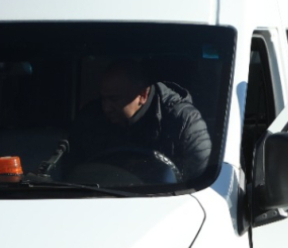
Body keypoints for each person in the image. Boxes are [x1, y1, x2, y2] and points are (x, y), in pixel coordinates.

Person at [66, 58, 211, 183]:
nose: (106, 108)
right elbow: (70, 171)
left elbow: (200, 183)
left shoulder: (184, 122)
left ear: (142, 95)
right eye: (103, 98)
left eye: (114, 99)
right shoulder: (91, 118)